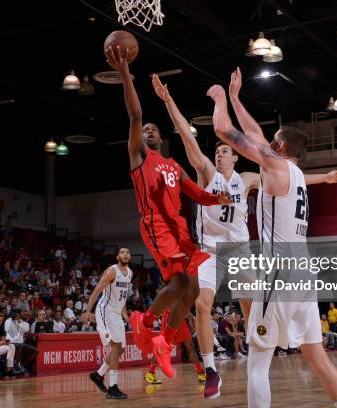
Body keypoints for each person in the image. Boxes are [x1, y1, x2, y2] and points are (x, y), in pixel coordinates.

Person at [208, 70, 337, 408]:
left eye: (273, 141)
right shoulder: (297, 174)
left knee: (258, 360)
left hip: (280, 275)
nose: (267, 143)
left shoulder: (274, 166)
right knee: (317, 358)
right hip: (304, 277)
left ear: (281, 147)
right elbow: (256, 134)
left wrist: (218, 101)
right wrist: (235, 98)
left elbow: (223, 131)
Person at [105, 45, 231, 380]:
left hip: (179, 230)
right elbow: (134, 115)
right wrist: (124, 76)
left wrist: (218, 199)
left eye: (152, 130)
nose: (147, 132)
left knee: (190, 289)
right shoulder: (139, 157)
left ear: (161, 138)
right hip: (156, 226)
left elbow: (197, 195)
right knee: (178, 284)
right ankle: (145, 323)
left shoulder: (173, 166)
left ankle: (162, 340)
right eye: (144, 131)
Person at [84, 247, 133, 399]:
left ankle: (98, 375)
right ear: (118, 256)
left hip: (117, 314)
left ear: (130, 257)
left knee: (120, 350)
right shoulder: (112, 271)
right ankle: (113, 388)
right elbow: (97, 290)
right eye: (122, 252)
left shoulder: (130, 273)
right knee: (115, 346)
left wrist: (125, 314)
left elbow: (122, 297)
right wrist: (87, 311)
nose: (125, 254)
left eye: (128, 253)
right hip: (104, 311)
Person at [145, 310, 206, 386]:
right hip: (169, 318)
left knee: (190, 346)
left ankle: (200, 373)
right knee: (162, 348)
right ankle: (150, 373)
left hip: (180, 319)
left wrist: (188, 314)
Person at [4, 308, 38, 375]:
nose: (23, 313)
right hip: (11, 343)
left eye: (23, 312)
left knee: (35, 351)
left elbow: (26, 330)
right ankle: (15, 364)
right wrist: (13, 320)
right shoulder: (8, 321)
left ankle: (21, 363)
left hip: (21, 343)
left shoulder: (25, 323)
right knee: (18, 346)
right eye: (21, 312)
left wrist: (18, 322)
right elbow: (6, 329)